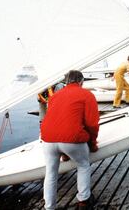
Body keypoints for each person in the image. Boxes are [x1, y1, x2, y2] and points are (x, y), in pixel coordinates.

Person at [40, 70, 99, 210]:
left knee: (51, 172)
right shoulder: (86, 95)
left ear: (66, 82)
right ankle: (83, 200)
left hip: (47, 139)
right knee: (83, 165)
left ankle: (49, 207)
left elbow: (58, 121)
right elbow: (92, 124)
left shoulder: (54, 97)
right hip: (72, 140)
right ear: (81, 82)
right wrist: (93, 144)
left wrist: (64, 153)